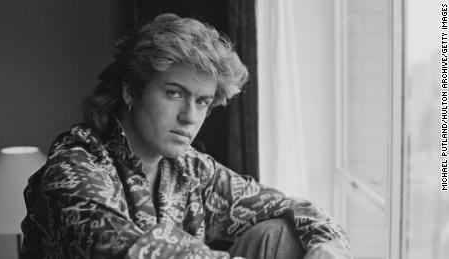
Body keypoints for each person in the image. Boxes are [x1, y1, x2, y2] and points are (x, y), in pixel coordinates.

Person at [21, 13, 352, 259]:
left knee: (284, 233)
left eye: (203, 101)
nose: (190, 117)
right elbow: (125, 249)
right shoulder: (75, 165)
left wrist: (328, 243)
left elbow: (289, 205)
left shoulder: (191, 168)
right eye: (174, 93)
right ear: (130, 91)